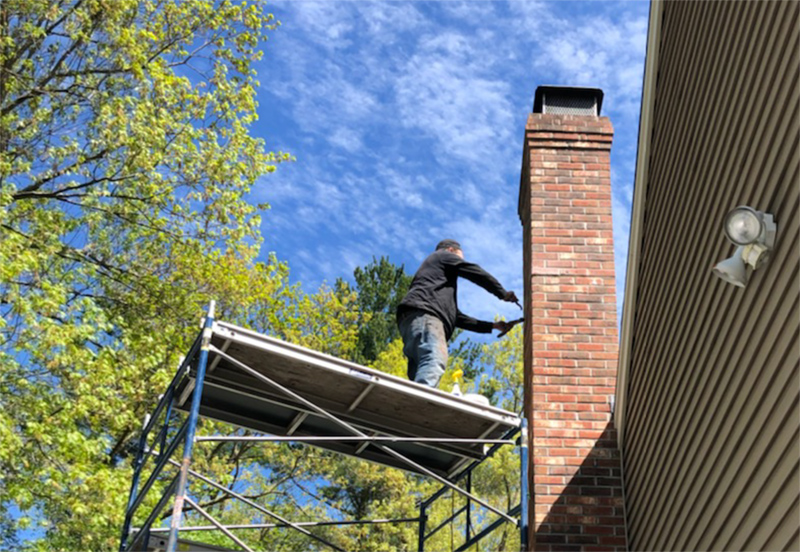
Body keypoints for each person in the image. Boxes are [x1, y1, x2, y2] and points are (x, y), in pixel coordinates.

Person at [396, 239, 519, 388]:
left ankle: (414, 397)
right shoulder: (442, 256)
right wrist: (502, 293)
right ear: (451, 250)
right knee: (434, 358)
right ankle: (420, 400)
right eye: (459, 258)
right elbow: (475, 272)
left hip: (414, 318)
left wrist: (493, 326)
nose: (459, 262)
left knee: (421, 370)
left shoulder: (436, 287)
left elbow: (457, 318)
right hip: (425, 315)